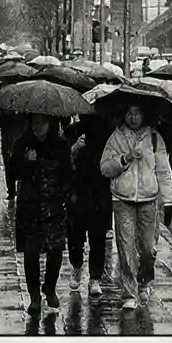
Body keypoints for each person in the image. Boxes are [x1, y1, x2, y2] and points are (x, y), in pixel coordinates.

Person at [98, 102, 172, 310]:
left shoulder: (154, 139)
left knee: (148, 249)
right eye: (129, 113)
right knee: (125, 247)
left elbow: (163, 171)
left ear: (144, 115)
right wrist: (125, 158)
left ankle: (145, 280)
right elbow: (105, 168)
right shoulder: (116, 138)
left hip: (149, 200)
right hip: (123, 199)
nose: (133, 117)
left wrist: (168, 200)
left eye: (137, 113)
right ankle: (129, 292)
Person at [11, 115, 73, 313]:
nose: (39, 126)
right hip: (29, 206)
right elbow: (12, 174)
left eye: (43, 122)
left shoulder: (61, 145)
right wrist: (27, 163)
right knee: (31, 252)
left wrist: (64, 195)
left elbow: (67, 174)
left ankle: (50, 287)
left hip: (54, 205)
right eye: (36, 122)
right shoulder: (21, 144)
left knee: (55, 251)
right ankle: (34, 295)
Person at [66, 113, 113, 294]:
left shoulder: (107, 133)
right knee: (75, 235)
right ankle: (76, 266)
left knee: (98, 236)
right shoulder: (73, 131)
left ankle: (95, 277)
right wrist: (74, 149)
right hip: (77, 191)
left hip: (100, 190)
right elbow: (63, 159)